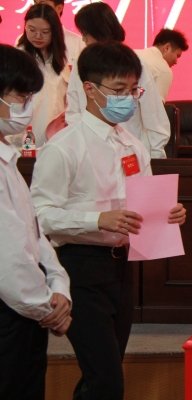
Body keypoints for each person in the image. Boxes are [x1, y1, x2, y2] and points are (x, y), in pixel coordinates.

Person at [31, 41, 186, 399]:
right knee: (106, 380)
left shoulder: (133, 145)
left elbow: (143, 208)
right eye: (118, 90)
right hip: (80, 267)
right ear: (89, 88)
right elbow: (39, 216)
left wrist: (167, 214)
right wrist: (96, 220)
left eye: (133, 90)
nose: (128, 99)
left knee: (103, 374)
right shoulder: (64, 147)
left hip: (122, 268)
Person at [0, 44, 71, 399]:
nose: (26, 106)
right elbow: (8, 256)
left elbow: (34, 233)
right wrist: (46, 306)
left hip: (26, 309)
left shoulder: (8, 160)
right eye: (20, 96)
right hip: (11, 309)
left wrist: (59, 285)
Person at [65, 2, 171, 158]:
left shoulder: (132, 62)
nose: (83, 38)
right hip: (91, 149)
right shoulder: (81, 62)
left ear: (98, 30)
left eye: (85, 32)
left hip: (131, 149)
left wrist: (156, 155)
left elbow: (152, 113)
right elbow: (74, 109)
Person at [15, 3, 69, 148]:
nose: (38, 36)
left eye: (45, 32)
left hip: (55, 136)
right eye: (32, 30)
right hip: (24, 137)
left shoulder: (61, 59)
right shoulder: (18, 58)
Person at [135, 28, 189, 102]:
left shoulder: (131, 54)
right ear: (167, 48)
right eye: (177, 55)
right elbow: (156, 107)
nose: (176, 62)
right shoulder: (164, 70)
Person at [32, 0, 85, 67]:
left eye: (42, 3)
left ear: (59, 8)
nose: (37, 8)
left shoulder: (79, 43)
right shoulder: (25, 41)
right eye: (35, 3)